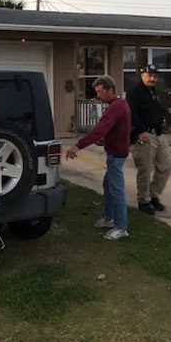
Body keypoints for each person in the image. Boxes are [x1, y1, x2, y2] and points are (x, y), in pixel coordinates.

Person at [66, 75, 132, 240]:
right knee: (108, 185)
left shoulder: (116, 107)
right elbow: (113, 130)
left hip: (117, 155)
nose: (98, 95)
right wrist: (105, 140)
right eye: (97, 92)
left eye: (100, 92)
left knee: (116, 190)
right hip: (115, 152)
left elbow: (99, 130)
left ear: (110, 90)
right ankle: (109, 219)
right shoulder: (118, 104)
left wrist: (77, 146)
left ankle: (121, 227)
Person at [126, 63, 171, 215]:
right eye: (149, 75)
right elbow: (131, 114)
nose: (152, 79)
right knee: (145, 169)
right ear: (142, 75)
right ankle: (144, 201)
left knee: (165, 166)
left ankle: (154, 196)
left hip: (159, 134)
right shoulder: (135, 91)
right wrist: (140, 131)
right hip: (143, 136)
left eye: (155, 76)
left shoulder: (154, 91)